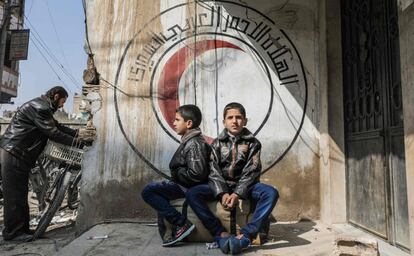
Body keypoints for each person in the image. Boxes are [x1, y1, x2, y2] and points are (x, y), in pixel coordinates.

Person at [186, 102, 279, 254]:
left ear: (245, 121)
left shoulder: (253, 143)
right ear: (224, 122)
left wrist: (237, 193)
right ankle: (220, 233)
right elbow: (213, 170)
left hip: (246, 187)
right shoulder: (216, 143)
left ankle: (246, 236)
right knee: (192, 193)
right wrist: (222, 193)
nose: (234, 121)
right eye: (230, 118)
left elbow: (252, 171)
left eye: (238, 117)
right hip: (222, 186)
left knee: (270, 193)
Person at [0, 86, 91, 242]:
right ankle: (13, 233)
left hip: (19, 155)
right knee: (14, 196)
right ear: (56, 96)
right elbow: (53, 133)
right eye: (62, 101)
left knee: (20, 194)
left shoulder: (42, 107)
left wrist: (78, 135)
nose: (62, 105)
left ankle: (22, 230)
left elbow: (58, 127)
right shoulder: (40, 108)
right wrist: (79, 144)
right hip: (13, 152)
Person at [141, 104, 211, 247]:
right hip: (184, 185)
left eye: (177, 120)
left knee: (149, 191)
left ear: (189, 123)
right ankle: (174, 227)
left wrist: (177, 173)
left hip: (189, 187)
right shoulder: (190, 141)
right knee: (154, 190)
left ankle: (182, 223)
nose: (174, 123)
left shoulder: (194, 144)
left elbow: (197, 175)